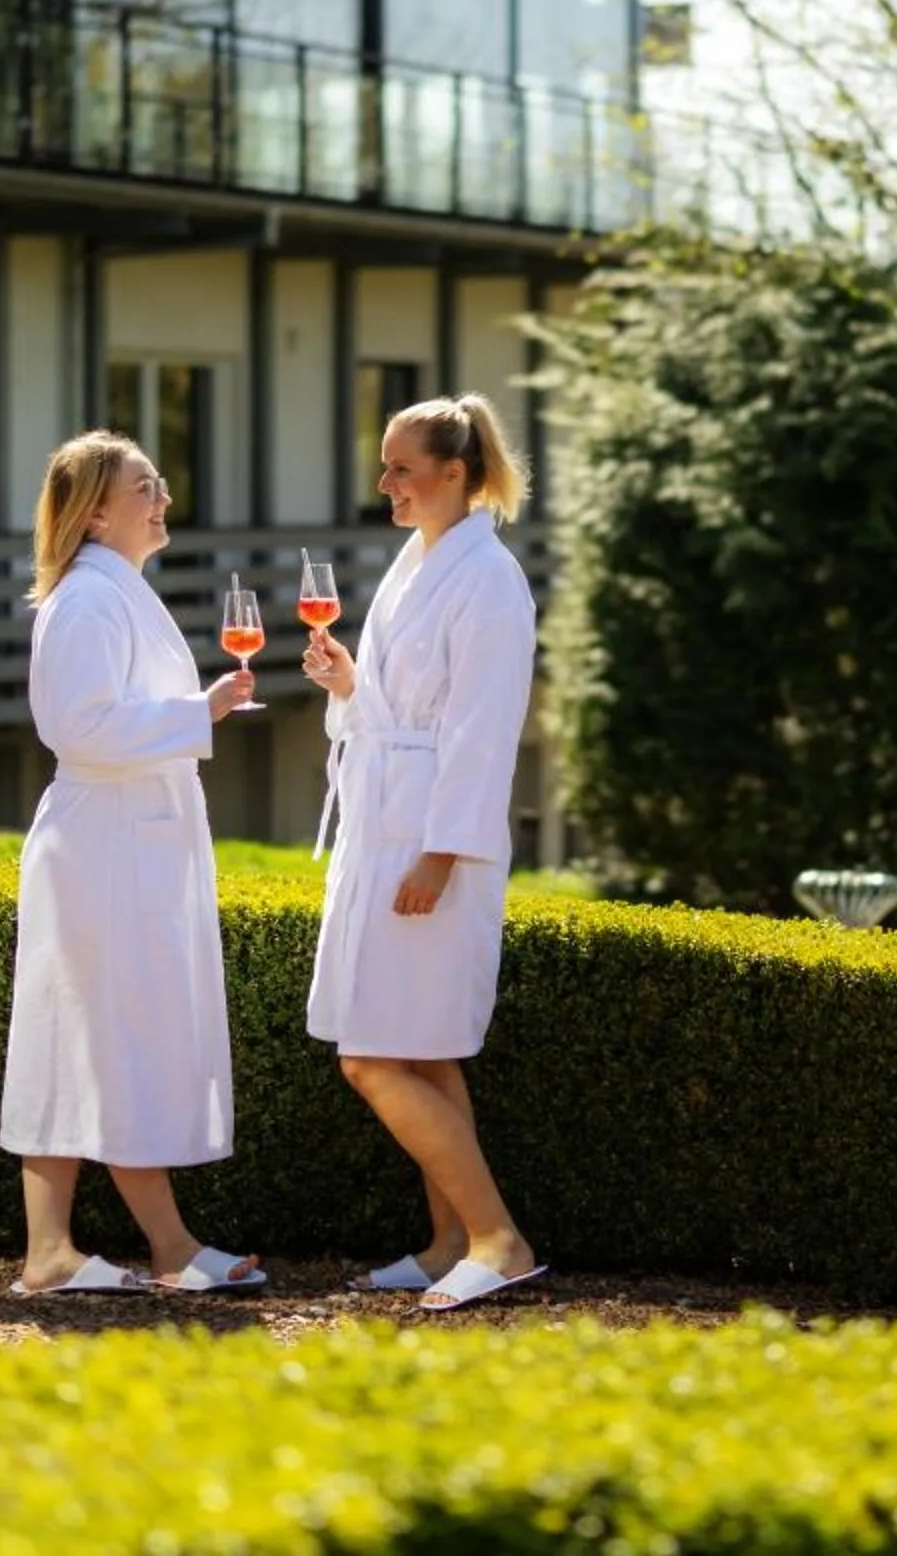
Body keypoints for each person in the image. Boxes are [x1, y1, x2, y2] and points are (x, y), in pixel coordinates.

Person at [0, 430, 268, 1298]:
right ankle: (90, 1253)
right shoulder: (86, 601)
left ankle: (144, 1247)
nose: (163, 500)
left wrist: (196, 713)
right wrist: (199, 714)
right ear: (97, 511)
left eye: (159, 483)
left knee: (104, 1037)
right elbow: (76, 728)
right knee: (92, 1035)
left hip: (129, 838)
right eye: (146, 487)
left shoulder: (118, 594)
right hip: (103, 845)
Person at [300, 393, 544, 1312]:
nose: (386, 484)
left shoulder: (489, 580)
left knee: (372, 1056)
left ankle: (500, 1239)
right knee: (430, 1053)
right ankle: (448, 1242)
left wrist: (442, 854)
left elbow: (484, 730)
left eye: (402, 468)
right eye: (385, 465)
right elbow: (401, 713)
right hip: (389, 820)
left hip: (435, 843)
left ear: (456, 474)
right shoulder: (420, 560)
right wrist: (348, 685)